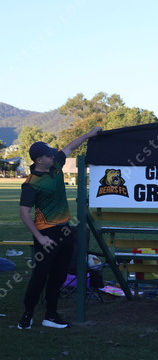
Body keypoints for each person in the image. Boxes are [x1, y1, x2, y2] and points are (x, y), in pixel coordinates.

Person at [18, 127, 102, 330]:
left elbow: (70, 147)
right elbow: (24, 213)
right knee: (40, 276)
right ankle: (27, 314)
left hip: (65, 231)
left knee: (59, 275)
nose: (53, 155)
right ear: (39, 160)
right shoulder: (31, 183)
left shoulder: (56, 164)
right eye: (48, 154)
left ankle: (51, 315)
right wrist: (39, 237)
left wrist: (89, 134)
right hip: (46, 234)